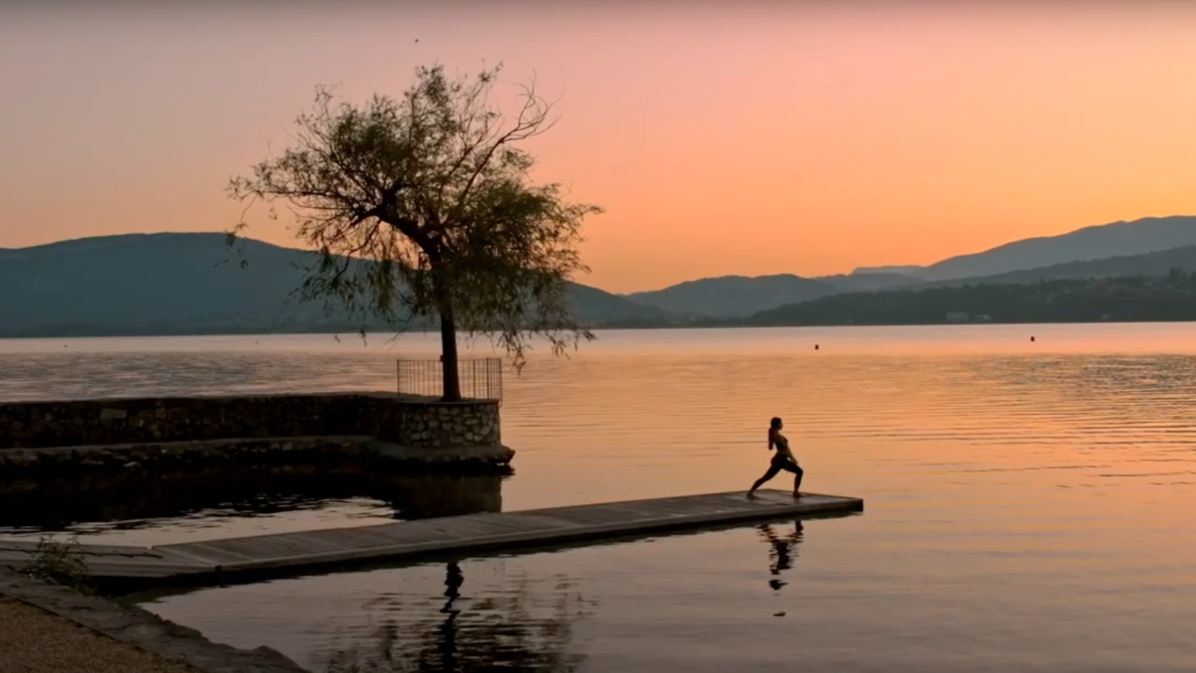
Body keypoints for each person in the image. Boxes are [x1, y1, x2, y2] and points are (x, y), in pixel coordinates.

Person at [748, 417, 804, 498]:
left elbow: (770, 447)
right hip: (781, 460)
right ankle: (795, 492)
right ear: (777, 425)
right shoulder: (777, 436)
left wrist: (791, 458)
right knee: (799, 472)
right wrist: (792, 458)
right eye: (781, 423)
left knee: (766, 478)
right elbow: (786, 449)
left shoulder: (773, 432)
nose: (782, 425)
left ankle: (750, 492)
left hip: (778, 459)